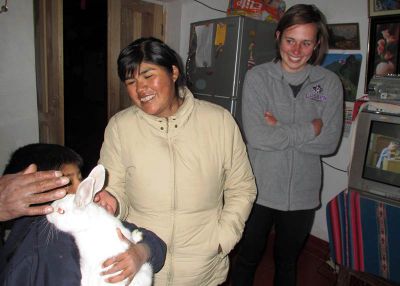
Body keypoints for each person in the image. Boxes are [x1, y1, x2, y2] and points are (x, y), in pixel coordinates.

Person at [96, 37, 257, 285]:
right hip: (143, 264)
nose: (140, 89)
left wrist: (223, 238)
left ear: (173, 71)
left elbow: (242, 187)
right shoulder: (120, 127)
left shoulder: (219, 122)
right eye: (131, 81)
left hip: (202, 268)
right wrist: (112, 202)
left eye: (148, 76)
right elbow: (115, 186)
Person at [231, 4, 343, 286]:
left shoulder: (327, 83)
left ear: (317, 44)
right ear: (278, 36)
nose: (296, 50)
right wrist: (310, 128)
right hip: (258, 190)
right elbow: (257, 137)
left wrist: (278, 127)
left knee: (287, 263)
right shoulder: (258, 78)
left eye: (306, 42)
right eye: (290, 40)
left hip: (303, 194)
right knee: (246, 258)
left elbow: (329, 142)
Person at [0, 143, 167, 285]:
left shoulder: (81, 218)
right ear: (32, 187)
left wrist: (140, 252)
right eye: (68, 182)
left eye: (80, 179)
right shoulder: (48, 235)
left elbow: (156, 244)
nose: (80, 188)